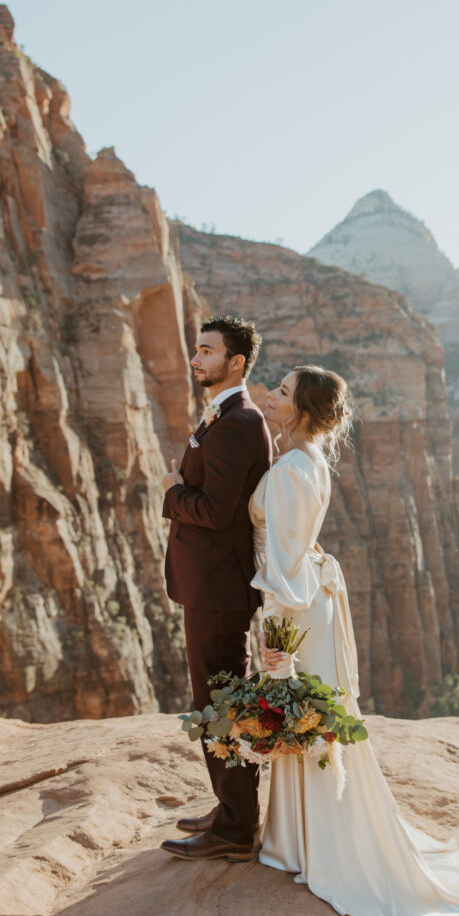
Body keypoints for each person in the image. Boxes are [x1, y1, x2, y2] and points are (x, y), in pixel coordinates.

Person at [250, 365, 459, 916]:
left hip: (296, 611)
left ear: (302, 412)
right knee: (310, 720)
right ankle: (299, 840)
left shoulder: (296, 468)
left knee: (308, 717)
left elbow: (286, 562)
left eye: (283, 392)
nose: (270, 395)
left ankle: (312, 847)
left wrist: (277, 643)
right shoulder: (302, 460)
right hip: (305, 602)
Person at [160, 315, 272, 861]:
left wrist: (173, 491)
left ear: (237, 362)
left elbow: (213, 509)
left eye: (207, 351)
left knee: (220, 704)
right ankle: (231, 809)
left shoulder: (236, 423)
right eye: (196, 350)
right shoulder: (224, 415)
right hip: (210, 584)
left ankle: (235, 829)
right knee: (216, 701)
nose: (196, 358)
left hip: (218, 589)